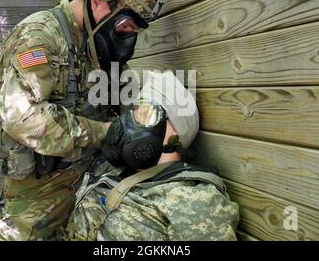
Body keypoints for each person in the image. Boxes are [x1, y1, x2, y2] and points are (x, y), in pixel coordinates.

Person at [0, 0, 162, 241]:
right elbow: (22, 116)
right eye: (126, 26)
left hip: (92, 173)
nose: (129, 37)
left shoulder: (100, 44)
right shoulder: (40, 36)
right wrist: (103, 133)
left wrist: (144, 124)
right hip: (43, 186)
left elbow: (128, 96)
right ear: (97, 2)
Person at [66, 71, 240, 241]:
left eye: (146, 114)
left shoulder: (198, 203)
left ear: (175, 132)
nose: (130, 123)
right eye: (134, 112)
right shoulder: (115, 172)